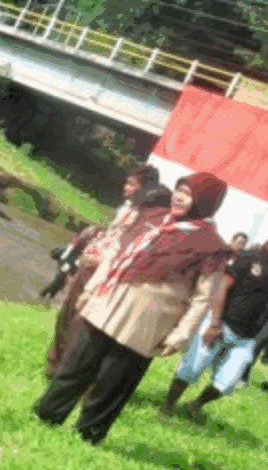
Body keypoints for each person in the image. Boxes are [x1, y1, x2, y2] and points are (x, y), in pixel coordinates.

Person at [34, 172, 229, 445]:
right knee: (75, 364)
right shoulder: (156, 220)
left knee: (114, 382)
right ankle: (45, 416)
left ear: (205, 202)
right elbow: (116, 252)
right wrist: (91, 291)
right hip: (109, 302)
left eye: (188, 193)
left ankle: (87, 437)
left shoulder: (213, 247)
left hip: (148, 321)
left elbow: (202, 298)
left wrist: (181, 335)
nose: (179, 197)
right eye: (179, 190)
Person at [42, 168, 171, 378]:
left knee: (81, 322)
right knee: (66, 314)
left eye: (132, 184)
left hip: (105, 274)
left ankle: (66, 370)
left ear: (146, 188)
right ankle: (53, 365)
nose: (126, 188)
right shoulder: (126, 209)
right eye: (127, 183)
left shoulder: (148, 220)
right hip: (90, 266)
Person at [159, 241, 268, 420]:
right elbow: (221, 288)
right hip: (222, 324)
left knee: (228, 381)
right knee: (192, 368)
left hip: (247, 337)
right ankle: (168, 405)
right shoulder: (249, 257)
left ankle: (195, 404)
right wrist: (214, 323)